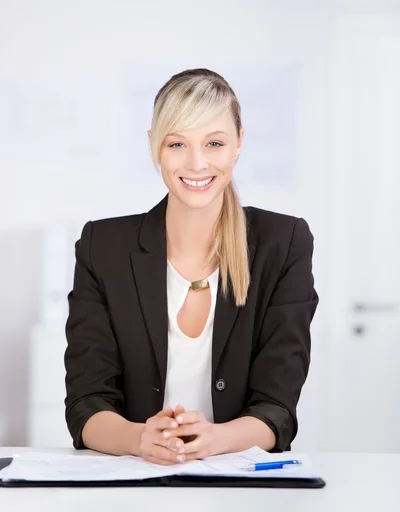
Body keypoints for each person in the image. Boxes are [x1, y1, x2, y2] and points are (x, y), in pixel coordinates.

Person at [64, 68, 319, 466]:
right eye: (178, 143)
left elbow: (277, 408)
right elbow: (86, 402)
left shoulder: (283, 243)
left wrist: (215, 439)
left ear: (239, 143)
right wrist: (139, 438)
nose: (197, 163)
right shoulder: (103, 247)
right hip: (131, 481)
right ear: (154, 147)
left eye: (214, 143)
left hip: (240, 485)